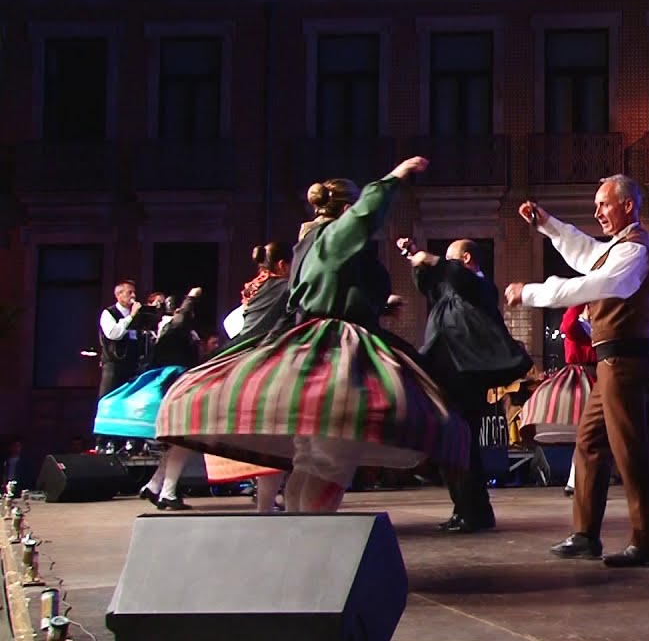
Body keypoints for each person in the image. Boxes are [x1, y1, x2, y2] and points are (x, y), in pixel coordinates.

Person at [156, 157, 468, 513]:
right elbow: (363, 218)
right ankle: (314, 530)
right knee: (333, 449)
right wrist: (394, 179)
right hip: (335, 346)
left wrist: (376, 307)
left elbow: (320, 290)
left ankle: (300, 530)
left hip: (310, 340)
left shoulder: (307, 244)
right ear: (346, 210)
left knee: (313, 453)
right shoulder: (333, 237)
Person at [505, 174, 649, 568]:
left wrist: (530, 293)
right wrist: (547, 224)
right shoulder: (617, 248)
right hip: (611, 363)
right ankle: (584, 535)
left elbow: (590, 284)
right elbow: (585, 251)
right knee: (591, 442)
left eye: (604, 204)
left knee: (629, 449)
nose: (597, 213)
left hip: (624, 362)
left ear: (627, 205)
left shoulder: (635, 251)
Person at [397, 235, 532, 534]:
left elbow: (455, 276)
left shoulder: (480, 286)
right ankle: (463, 509)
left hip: (466, 373)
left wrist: (433, 260)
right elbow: (429, 285)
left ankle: (475, 512)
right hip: (445, 371)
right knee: (451, 442)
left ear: (467, 259)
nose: (445, 266)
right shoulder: (450, 289)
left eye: (450, 259)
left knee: (464, 441)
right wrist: (415, 258)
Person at [205, 242, 295, 514]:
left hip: (245, 362)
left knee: (270, 438)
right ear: (283, 265)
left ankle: (267, 505)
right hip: (270, 364)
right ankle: (277, 506)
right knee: (278, 438)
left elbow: (233, 323)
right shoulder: (286, 287)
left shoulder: (257, 288)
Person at [95, 288, 203, 510]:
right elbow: (180, 320)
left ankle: (156, 487)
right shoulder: (171, 326)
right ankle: (166, 492)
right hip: (174, 385)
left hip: (176, 383)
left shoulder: (174, 329)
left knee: (180, 442)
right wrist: (191, 298)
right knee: (182, 440)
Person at [520, 304, 596, 497]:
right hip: (581, 378)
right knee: (588, 433)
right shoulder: (576, 325)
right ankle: (575, 481)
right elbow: (567, 324)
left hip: (598, 376)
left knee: (591, 435)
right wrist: (579, 301)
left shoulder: (594, 327)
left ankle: (576, 481)